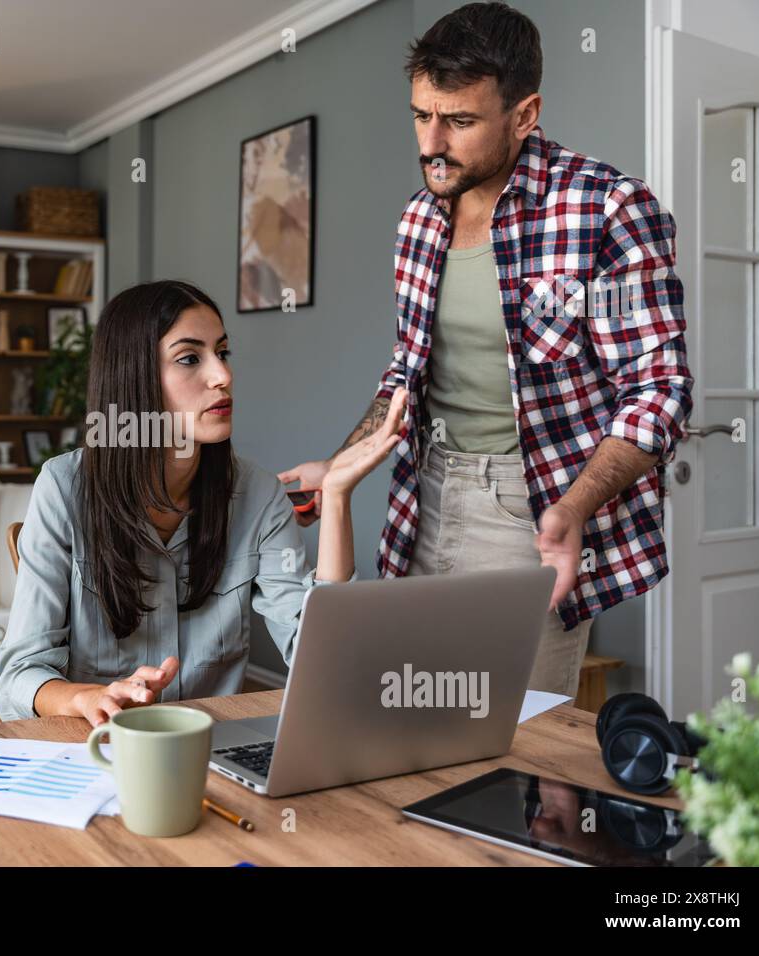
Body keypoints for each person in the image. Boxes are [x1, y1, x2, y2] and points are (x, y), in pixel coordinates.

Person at [279, 2, 692, 698]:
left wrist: (572, 509)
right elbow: (405, 372)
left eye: (460, 121)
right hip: (423, 494)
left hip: (528, 510)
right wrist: (341, 461)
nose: (432, 142)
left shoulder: (606, 209)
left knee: (513, 749)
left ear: (524, 115)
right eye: (421, 115)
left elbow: (659, 389)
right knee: (405, 719)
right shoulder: (419, 219)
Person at [0, 279, 407, 726]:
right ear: (134, 378)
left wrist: (338, 496)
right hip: (96, 751)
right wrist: (87, 697)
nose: (223, 375)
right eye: (190, 358)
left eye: (223, 352)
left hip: (212, 755)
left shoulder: (258, 495)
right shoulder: (64, 487)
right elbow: (19, 677)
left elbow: (329, 664)